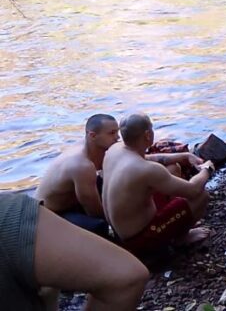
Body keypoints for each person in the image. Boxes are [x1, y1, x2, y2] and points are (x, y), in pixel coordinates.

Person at [0, 193, 149, 311]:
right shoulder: (7, 215)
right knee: (98, 226)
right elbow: (127, 277)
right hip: (52, 221)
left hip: (52, 219)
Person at [102, 113, 213, 256]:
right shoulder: (145, 169)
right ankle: (181, 239)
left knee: (173, 168)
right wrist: (207, 169)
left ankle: (176, 223)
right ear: (148, 134)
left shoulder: (115, 150)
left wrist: (184, 156)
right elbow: (193, 190)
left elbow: (148, 158)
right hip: (140, 239)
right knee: (201, 196)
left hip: (120, 231)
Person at [36, 114, 119, 237]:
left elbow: (116, 163)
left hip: (71, 200)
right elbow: (94, 212)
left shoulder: (92, 147)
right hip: (52, 213)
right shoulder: (82, 165)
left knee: (115, 183)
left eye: (117, 132)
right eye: (112, 133)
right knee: (99, 226)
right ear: (92, 135)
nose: (117, 137)